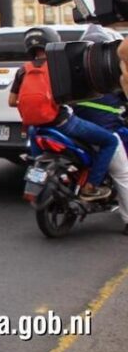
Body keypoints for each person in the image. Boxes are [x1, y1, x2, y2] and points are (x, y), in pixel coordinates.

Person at [8, 27, 119, 201]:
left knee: (37, 160)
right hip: (63, 123)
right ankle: (91, 186)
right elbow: (71, 97)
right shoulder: (58, 67)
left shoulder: (23, 70)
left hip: (35, 128)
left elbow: (11, 101)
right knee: (109, 141)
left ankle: (36, 180)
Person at [73, 24, 128, 235]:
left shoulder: (74, 70)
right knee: (123, 173)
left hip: (75, 128)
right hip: (103, 129)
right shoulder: (112, 73)